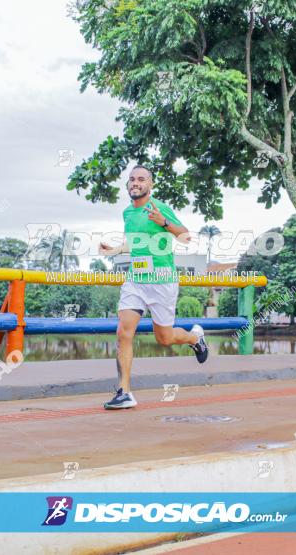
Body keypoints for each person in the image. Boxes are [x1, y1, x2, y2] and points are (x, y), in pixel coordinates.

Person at [98, 165, 209, 409]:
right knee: (123, 332)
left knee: (165, 337)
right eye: (132, 179)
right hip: (136, 280)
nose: (135, 183)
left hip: (162, 281)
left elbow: (186, 236)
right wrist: (115, 250)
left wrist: (164, 222)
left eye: (141, 179)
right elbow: (135, 244)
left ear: (150, 185)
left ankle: (195, 338)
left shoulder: (160, 208)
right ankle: (124, 392)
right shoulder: (127, 213)